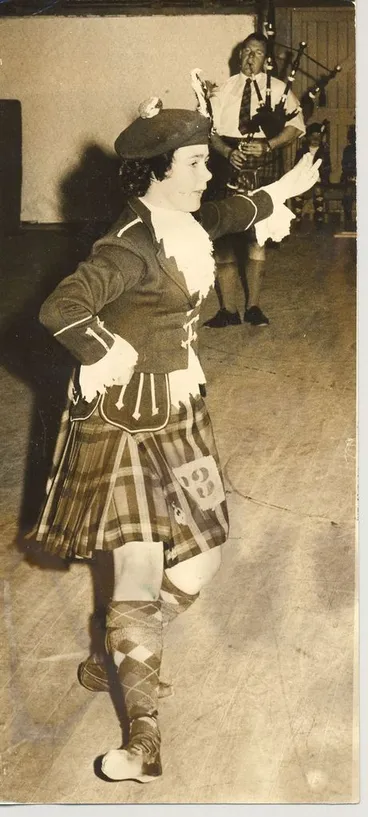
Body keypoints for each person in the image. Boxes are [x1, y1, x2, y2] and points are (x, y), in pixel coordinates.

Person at [33, 96, 320, 783]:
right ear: (158, 172)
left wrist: (281, 189)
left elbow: (226, 213)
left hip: (181, 414)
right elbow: (60, 308)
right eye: (195, 164)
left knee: (201, 560)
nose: (205, 176)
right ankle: (143, 739)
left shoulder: (179, 219)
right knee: (135, 572)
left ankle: (117, 656)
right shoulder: (126, 246)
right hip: (125, 424)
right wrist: (103, 350)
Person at [204, 32, 305, 328]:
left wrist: (269, 144)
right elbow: (208, 129)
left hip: (263, 160)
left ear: (266, 59)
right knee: (221, 236)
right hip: (226, 162)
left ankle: (254, 307)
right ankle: (228, 310)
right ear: (239, 56)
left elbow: (296, 126)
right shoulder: (222, 90)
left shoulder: (280, 89)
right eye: (247, 51)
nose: (251, 57)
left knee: (256, 236)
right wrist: (225, 152)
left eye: (258, 52)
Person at [293, 122, 331, 228]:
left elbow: (327, 168)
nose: (315, 138)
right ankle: (298, 217)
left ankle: (319, 216)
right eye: (312, 136)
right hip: (304, 180)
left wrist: (321, 177)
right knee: (298, 191)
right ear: (308, 137)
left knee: (318, 190)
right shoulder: (301, 151)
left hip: (319, 180)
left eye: (318, 136)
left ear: (322, 137)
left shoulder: (324, 152)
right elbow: (297, 167)